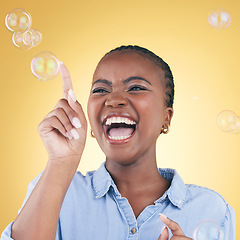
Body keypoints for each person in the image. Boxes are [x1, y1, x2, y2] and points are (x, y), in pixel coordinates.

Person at [1, 45, 236, 240]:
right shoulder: (56, 189)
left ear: (167, 117)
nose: (113, 99)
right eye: (101, 89)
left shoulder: (213, 209)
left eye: (135, 87)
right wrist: (62, 161)